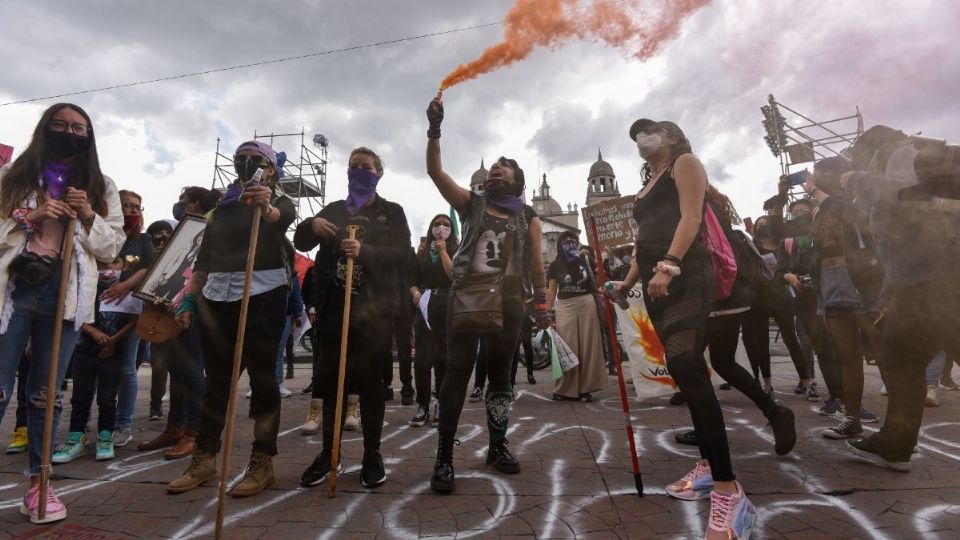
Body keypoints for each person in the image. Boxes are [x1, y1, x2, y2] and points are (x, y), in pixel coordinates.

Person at [613, 118, 756, 539]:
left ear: (671, 137)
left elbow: (691, 217)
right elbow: (643, 243)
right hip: (658, 280)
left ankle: (729, 489)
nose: (641, 139)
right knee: (684, 369)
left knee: (686, 364)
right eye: (635, 135)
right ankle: (711, 468)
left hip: (686, 274)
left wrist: (671, 263)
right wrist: (625, 284)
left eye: (649, 131)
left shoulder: (685, 163)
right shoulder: (646, 185)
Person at [0, 103, 125, 523]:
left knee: (45, 395)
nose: (70, 133)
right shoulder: (13, 177)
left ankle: (39, 484)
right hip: (13, 291)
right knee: (0, 388)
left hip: (66, 296)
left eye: (79, 128)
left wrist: (88, 214)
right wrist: (28, 216)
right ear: (45, 129)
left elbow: (112, 249)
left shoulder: (100, 185)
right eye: (61, 125)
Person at [425, 96, 550, 493]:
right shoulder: (471, 202)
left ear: (517, 180)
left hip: (511, 304)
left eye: (505, 166)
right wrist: (434, 129)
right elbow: (435, 172)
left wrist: (543, 304)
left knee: (500, 377)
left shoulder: (527, 216)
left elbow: (535, 262)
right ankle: (444, 456)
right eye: (494, 166)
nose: (497, 168)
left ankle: (497, 446)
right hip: (466, 299)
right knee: (457, 375)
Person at [168, 141, 296, 497]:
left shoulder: (280, 201)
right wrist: (189, 300)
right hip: (217, 296)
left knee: (263, 381)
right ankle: (205, 457)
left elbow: (282, 219)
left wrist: (265, 206)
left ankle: (262, 461)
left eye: (255, 160)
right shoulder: (222, 209)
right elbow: (204, 259)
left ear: (270, 169)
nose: (246, 164)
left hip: (262, 295)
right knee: (217, 383)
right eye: (241, 159)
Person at [839, 126, 960, 471]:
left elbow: (908, 194)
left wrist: (857, 179)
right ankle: (895, 442)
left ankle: (896, 442)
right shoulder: (898, 157)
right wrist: (891, 290)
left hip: (939, 277)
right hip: (923, 280)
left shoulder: (899, 154)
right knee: (901, 358)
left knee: (901, 359)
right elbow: (898, 241)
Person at [296, 146, 410, 489]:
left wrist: (367, 252)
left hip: (374, 314)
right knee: (330, 384)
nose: (358, 171)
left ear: (378, 173)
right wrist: (310, 223)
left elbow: (403, 255)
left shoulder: (391, 212)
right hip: (334, 311)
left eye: (366, 167)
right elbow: (301, 240)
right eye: (353, 167)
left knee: (371, 387)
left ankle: (372, 454)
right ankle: (329, 452)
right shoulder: (332, 210)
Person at [673, 187, 796, 457]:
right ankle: (774, 412)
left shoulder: (694, 210)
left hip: (715, 296)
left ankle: (707, 427)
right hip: (731, 296)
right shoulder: (714, 210)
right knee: (722, 361)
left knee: (686, 361)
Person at [800, 156, 884, 439]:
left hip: (859, 279)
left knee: (883, 350)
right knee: (846, 355)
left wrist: (814, 191)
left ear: (839, 175)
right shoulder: (819, 209)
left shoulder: (859, 197)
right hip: (829, 281)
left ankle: (901, 428)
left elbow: (856, 216)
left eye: (820, 174)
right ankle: (852, 418)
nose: (814, 179)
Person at [138, 187, 218, 460]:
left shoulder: (210, 228)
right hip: (173, 304)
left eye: (184, 201)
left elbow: (201, 270)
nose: (179, 205)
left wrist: (187, 300)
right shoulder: (184, 231)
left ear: (196, 203)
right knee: (177, 369)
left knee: (192, 368)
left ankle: (194, 432)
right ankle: (175, 426)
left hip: (196, 306)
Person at [53, 254, 142, 464]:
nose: (109, 269)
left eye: (114, 265)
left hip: (112, 353)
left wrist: (113, 341)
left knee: (107, 397)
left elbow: (134, 320)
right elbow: (74, 312)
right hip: (85, 349)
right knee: (81, 395)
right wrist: (93, 332)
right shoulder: (87, 288)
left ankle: (105, 436)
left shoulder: (127, 293)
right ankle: (76, 436)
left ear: (124, 266)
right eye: (104, 265)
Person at [740, 215, 818, 400]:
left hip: (781, 299)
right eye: (759, 224)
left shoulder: (783, 246)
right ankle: (767, 384)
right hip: (758, 299)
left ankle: (806, 381)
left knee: (791, 340)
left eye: (765, 223)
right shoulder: (751, 248)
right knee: (762, 342)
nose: (762, 226)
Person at [110, 190, 155, 447]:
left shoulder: (143, 239)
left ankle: (123, 424)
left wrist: (125, 285)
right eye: (125, 205)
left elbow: (147, 267)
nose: (131, 210)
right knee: (95, 369)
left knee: (127, 367)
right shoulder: (104, 233)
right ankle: (96, 424)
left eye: (136, 206)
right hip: (100, 307)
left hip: (129, 308)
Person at [547, 231, 608, 401]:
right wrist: (545, 310)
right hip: (565, 306)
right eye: (565, 240)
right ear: (559, 244)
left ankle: (585, 389)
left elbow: (596, 285)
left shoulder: (586, 260)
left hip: (586, 303)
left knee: (589, 346)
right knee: (567, 347)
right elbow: (551, 290)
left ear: (578, 242)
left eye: (572, 240)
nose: (569, 242)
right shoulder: (555, 265)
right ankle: (564, 389)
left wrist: (594, 262)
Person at [409, 214, 457, 426]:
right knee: (421, 360)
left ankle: (441, 403)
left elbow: (453, 275)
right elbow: (413, 280)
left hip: (447, 304)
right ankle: (423, 404)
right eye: (437, 224)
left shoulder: (456, 249)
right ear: (430, 228)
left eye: (446, 225)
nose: (441, 228)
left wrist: (444, 250)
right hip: (425, 304)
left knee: (443, 359)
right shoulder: (422, 253)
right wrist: (415, 294)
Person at [144, 219, 173, 421]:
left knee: (181, 367)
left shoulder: (181, 255)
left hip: (179, 315)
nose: (162, 239)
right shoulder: (147, 259)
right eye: (158, 235)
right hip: (157, 318)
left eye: (166, 235)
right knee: (159, 366)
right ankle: (156, 404)